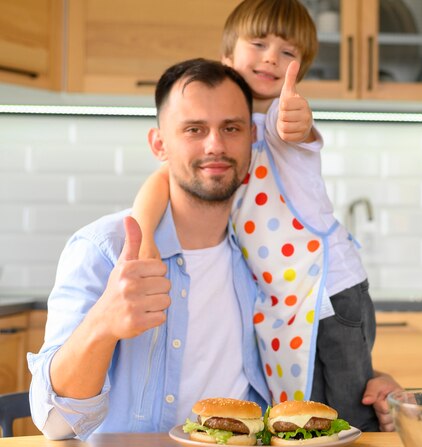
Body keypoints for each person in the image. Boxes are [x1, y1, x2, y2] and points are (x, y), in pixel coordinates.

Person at [131, 0, 401, 432]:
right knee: (306, 420)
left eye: (288, 53)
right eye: (258, 43)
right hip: (285, 301)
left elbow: (296, 127)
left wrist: (299, 119)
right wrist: (143, 245)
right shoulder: (227, 134)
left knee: (352, 415)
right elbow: (160, 180)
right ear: (227, 57)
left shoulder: (279, 118)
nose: (272, 57)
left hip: (330, 290)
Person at [27, 60, 269, 440]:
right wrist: (102, 325)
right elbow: (56, 424)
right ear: (159, 144)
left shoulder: (261, 256)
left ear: (251, 137)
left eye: (231, 128)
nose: (216, 145)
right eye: (194, 129)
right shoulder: (105, 250)